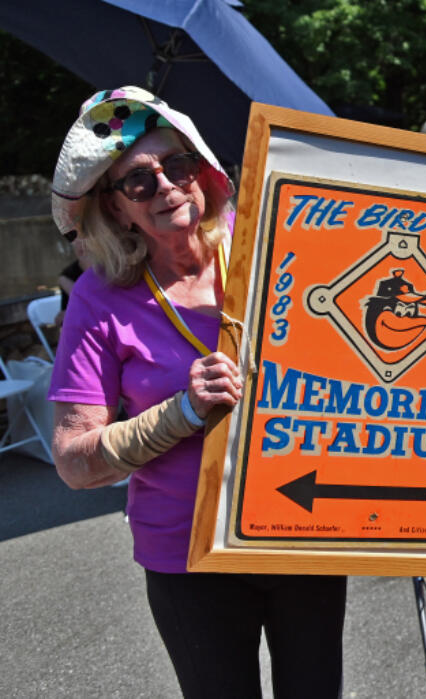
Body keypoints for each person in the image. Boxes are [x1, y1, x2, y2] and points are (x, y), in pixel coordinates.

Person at [46, 87, 346, 698]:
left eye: (176, 165)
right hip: (187, 555)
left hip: (300, 528)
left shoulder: (278, 245)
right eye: (138, 181)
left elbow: (384, 335)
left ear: (202, 171)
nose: (166, 186)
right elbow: (74, 461)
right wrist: (180, 413)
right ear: (115, 208)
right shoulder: (99, 301)